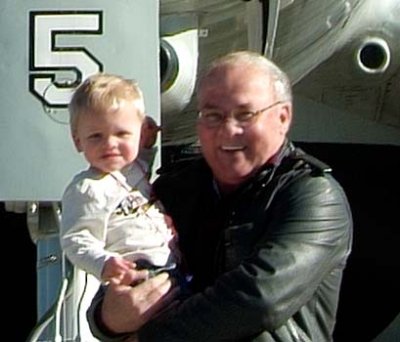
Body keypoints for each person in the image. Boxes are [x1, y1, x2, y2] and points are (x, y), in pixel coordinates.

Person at [87, 51, 353, 341]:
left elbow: (258, 298)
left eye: (245, 115)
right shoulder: (174, 189)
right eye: (213, 116)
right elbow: (126, 268)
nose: (228, 130)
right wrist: (107, 318)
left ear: (283, 117)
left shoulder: (313, 196)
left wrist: (149, 337)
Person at [60, 73, 179, 284]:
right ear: (78, 141)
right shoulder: (87, 188)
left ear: (139, 135)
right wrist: (103, 263)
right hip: (134, 272)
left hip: (171, 262)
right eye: (96, 136)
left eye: (122, 134)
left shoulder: (135, 169)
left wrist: (148, 143)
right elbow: (76, 239)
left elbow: (142, 160)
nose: (110, 144)